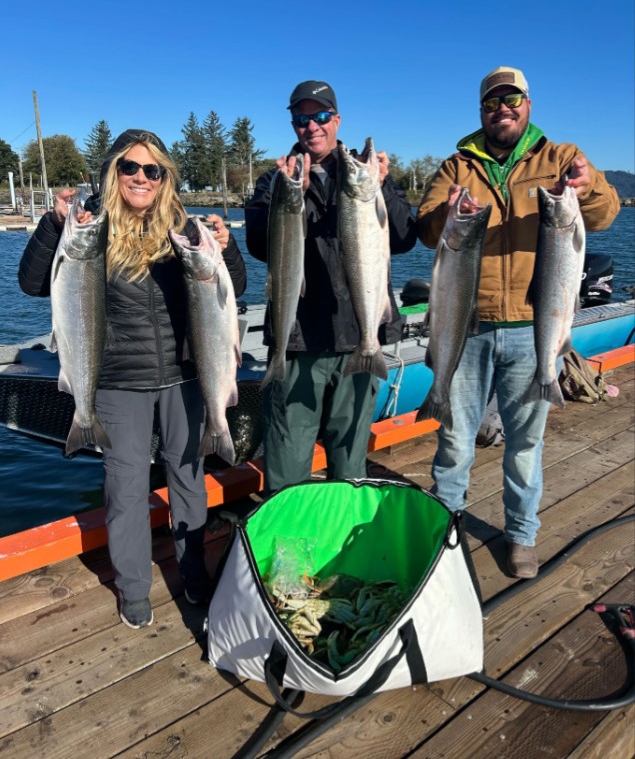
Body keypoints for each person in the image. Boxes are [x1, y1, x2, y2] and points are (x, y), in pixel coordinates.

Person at [18, 129, 247, 627]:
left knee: (188, 479)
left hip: (186, 379)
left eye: (152, 170)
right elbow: (34, 284)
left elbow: (234, 291)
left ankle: (194, 573)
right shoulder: (91, 226)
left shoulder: (183, 228)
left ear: (165, 177)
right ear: (113, 171)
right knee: (124, 487)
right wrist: (53, 225)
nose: (141, 178)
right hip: (119, 381)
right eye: (130, 167)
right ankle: (133, 587)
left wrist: (226, 251)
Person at [417, 66, 620, 579]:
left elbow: (604, 215)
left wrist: (590, 182)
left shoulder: (559, 158)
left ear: (528, 103)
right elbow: (426, 228)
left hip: (534, 329)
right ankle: (444, 529)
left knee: (526, 444)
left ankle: (522, 535)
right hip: (468, 325)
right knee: (455, 439)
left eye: (512, 100)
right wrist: (451, 213)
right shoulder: (456, 165)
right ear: (481, 110)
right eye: (492, 103)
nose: (502, 110)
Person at [245, 80, 417, 493]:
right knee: (286, 458)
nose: (312, 126)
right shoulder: (277, 178)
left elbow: (405, 236)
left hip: (360, 336)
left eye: (321, 116)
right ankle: (285, 549)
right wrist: (287, 198)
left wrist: (384, 186)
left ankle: (344, 542)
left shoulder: (366, 172)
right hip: (299, 339)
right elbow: (256, 244)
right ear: (293, 124)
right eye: (302, 118)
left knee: (350, 458)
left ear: (337, 120)